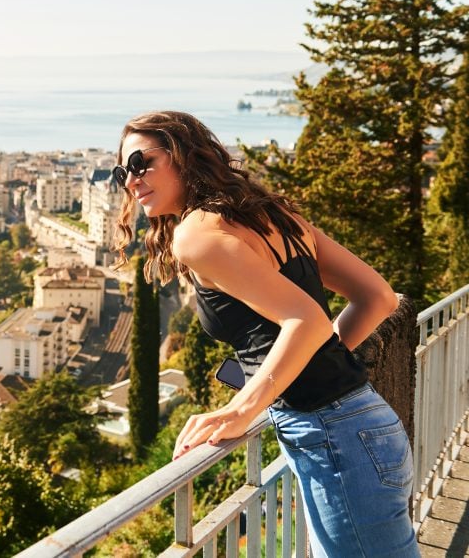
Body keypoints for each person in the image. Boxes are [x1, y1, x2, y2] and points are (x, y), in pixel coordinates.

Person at [113, 111, 418, 557]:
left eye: (142, 163)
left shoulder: (195, 235)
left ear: (184, 155)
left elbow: (309, 321)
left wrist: (240, 408)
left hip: (333, 437)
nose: (131, 180)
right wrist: (307, 364)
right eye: (123, 171)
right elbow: (377, 297)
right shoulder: (273, 214)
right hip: (365, 424)